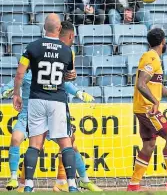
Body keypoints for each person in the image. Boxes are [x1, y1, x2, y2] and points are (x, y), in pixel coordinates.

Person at [4, 21, 101, 192]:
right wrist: (7, 92)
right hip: (30, 113)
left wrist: (79, 93)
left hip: (40, 108)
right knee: (19, 139)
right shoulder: (28, 73)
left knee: (66, 144)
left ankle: (82, 179)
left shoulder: (39, 63)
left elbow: (66, 82)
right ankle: (17, 180)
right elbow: (11, 84)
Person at [12, 14, 77, 192]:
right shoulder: (67, 51)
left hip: (36, 99)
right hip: (57, 100)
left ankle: (28, 185)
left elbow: (19, 74)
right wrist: (69, 74)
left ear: (44, 28)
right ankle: (71, 185)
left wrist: (16, 93)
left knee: (34, 144)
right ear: (58, 29)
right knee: (65, 143)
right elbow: (70, 74)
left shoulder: (32, 47)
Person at [127, 28, 167, 192]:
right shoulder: (151, 58)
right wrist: (154, 101)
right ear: (163, 41)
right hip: (148, 109)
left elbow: (155, 85)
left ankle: (133, 185)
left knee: (149, 144)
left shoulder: (152, 58)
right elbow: (141, 84)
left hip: (143, 107)